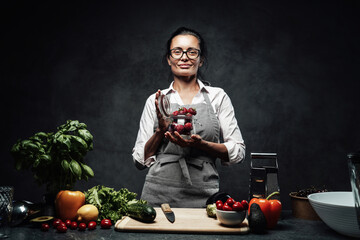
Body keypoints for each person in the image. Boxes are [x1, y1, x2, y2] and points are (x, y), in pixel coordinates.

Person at [132, 27, 245, 208]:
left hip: (204, 192)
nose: (184, 57)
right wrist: (161, 130)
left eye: (192, 52)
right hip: (158, 193)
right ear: (169, 59)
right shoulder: (156, 100)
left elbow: (238, 152)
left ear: (201, 60)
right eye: (177, 52)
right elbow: (139, 160)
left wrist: (202, 145)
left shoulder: (218, 97)